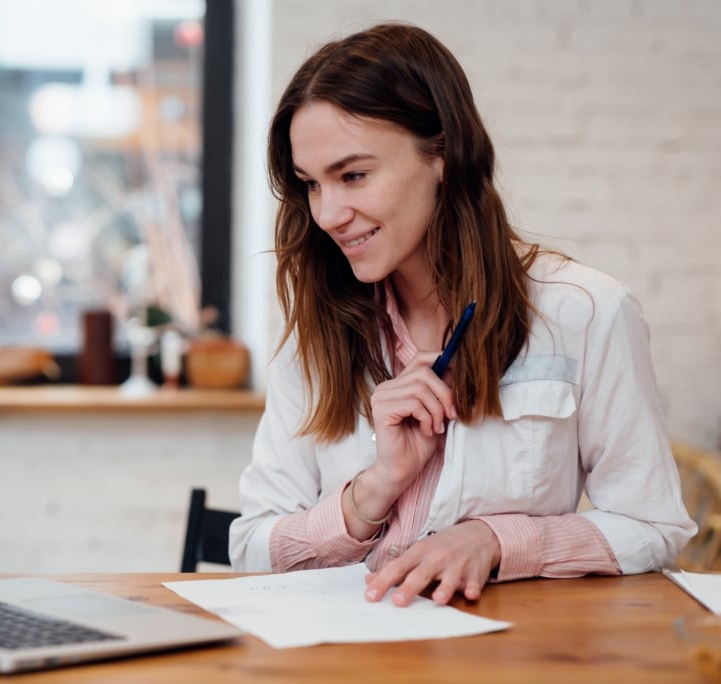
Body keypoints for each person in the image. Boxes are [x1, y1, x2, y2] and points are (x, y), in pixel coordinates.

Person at [228, 22, 695, 608]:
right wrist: (375, 488)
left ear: (443, 152)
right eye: (311, 185)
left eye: (353, 176)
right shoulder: (320, 332)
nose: (328, 214)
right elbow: (249, 548)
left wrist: (497, 539)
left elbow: (654, 528)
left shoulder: (586, 313)